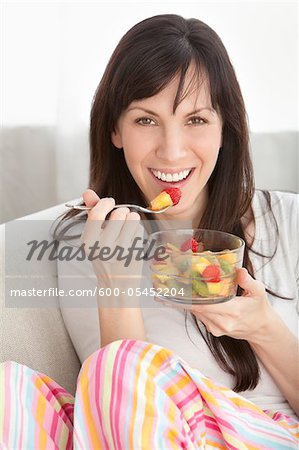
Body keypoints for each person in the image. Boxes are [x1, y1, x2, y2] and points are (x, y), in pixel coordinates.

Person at [1, 13, 298, 449]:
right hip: (156, 432)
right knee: (11, 389)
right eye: (146, 120)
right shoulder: (84, 241)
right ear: (115, 130)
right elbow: (119, 407)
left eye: (196, 120)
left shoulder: (288, 219)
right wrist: (115, 284)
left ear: (224, 129)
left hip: (267, 434)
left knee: (119, 364)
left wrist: (262, 327)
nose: (172, 151)